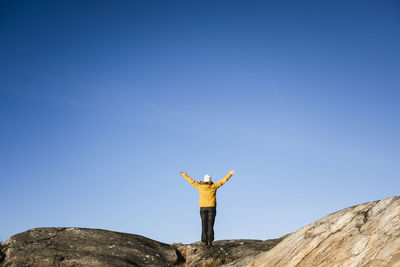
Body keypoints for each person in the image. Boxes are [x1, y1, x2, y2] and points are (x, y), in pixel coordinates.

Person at [179, 170, 235, 246]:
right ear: (210, 180)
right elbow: (223, 181)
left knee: (203, 224)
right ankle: (210, 241)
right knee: (210, 224)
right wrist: (230, 174)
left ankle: (204, 241)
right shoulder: (214, 186)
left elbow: (191, 181)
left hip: (202, 208)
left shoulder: (199, 186)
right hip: (212, 208)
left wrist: (184, 175)